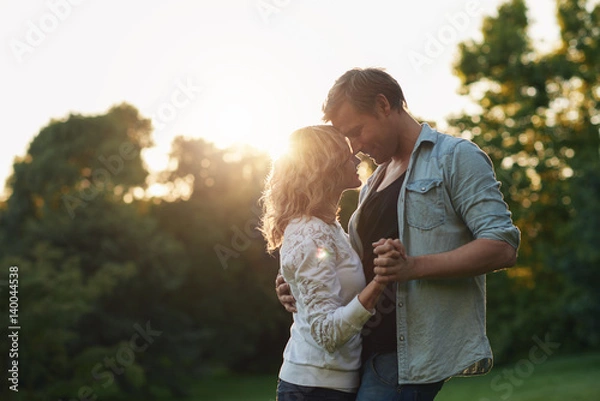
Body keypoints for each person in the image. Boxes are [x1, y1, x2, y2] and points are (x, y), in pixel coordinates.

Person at [275, 67, 521, 401]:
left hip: (407, 356)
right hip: (360, 354)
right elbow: (354, 266)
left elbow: (502, 246)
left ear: (383, 105)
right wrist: (302, 285)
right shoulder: (373, 183)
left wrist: (413, 267)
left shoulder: (455, 158)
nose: (357, 148)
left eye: (358, 132)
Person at [260, 125, 403, 401]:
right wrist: (381, 280)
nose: (358, 160)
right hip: (313, 388)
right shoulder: (309, 232)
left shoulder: (330, 228)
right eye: (347, 155)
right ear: (325, 166)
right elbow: (327, 334)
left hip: (333, 385)